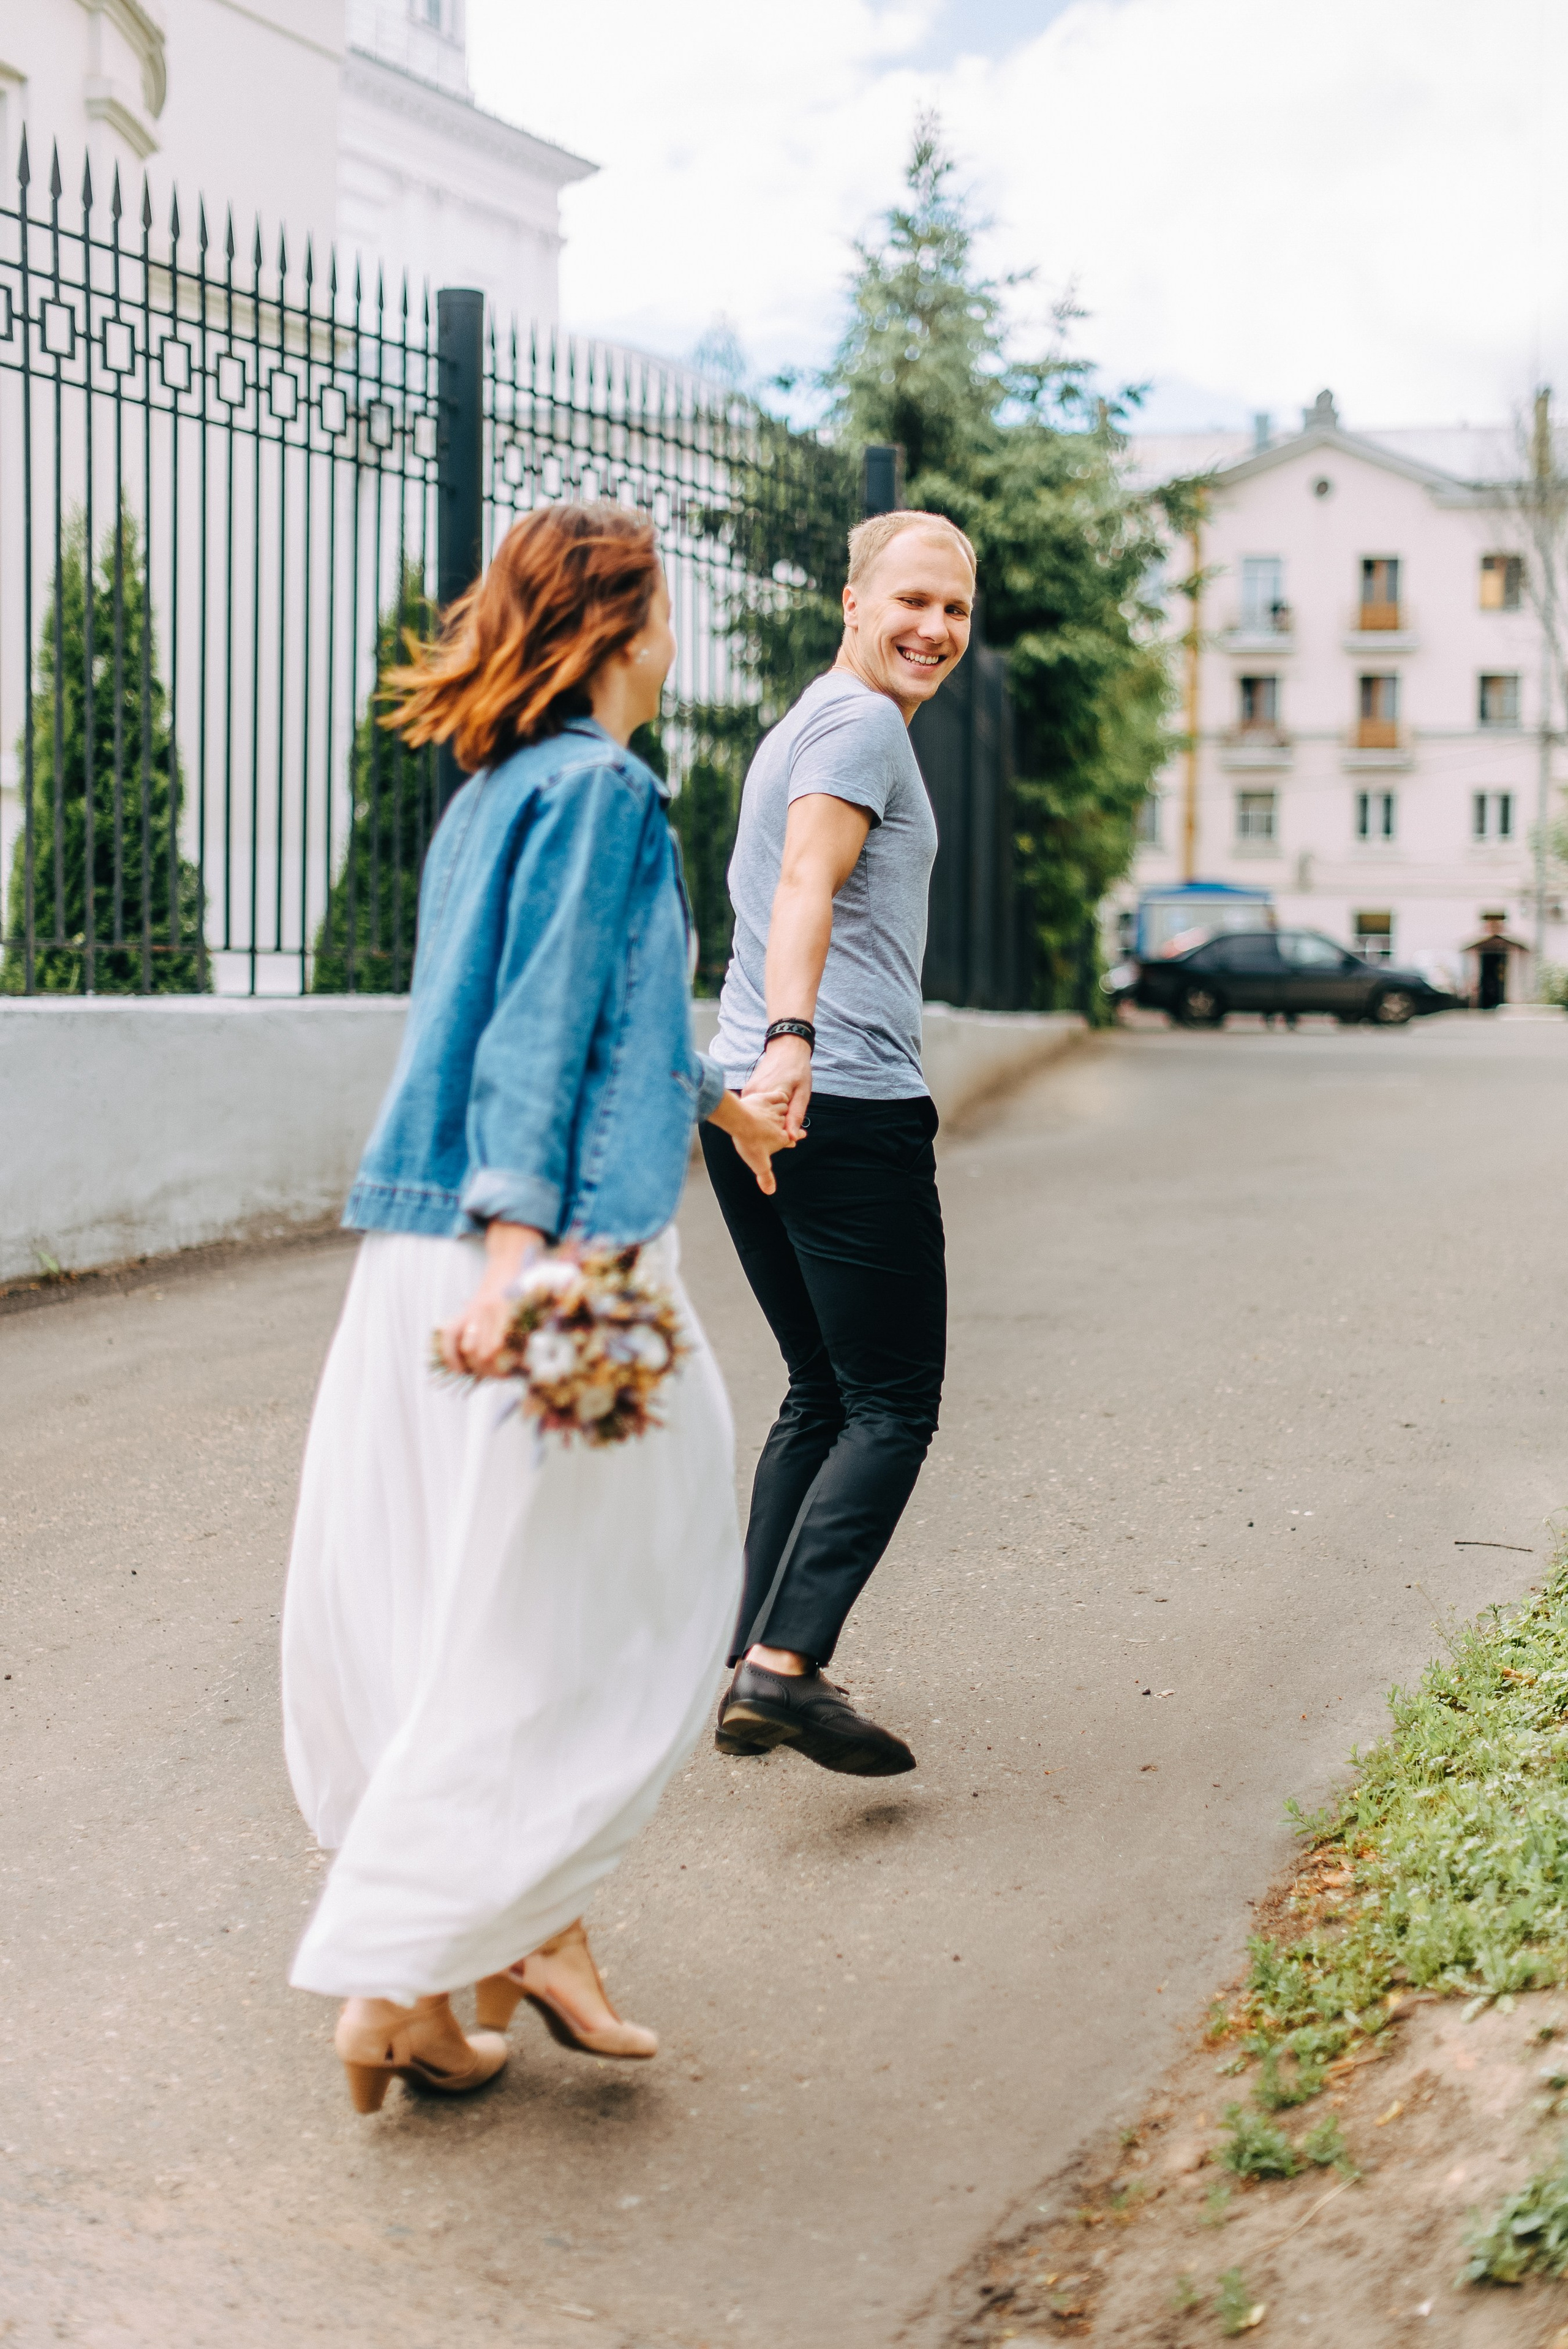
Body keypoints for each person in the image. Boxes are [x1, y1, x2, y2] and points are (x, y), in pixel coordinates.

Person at [281, 502, 791, 2113]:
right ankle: (410, 1958)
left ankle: (478, 1972)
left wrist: (719, 1101)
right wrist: (519, 1268)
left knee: (478, 1596)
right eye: (664, 607)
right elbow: (531, 1038)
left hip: (434, 1248)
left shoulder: (499, 788)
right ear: (627, 621)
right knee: (608, 1601)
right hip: (552, 1264)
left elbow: (585, 1020)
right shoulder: (604, 792)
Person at [699, 508, 974, 1778]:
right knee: (890, 1402)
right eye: (911, 599)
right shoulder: (860, 726)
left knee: (820, 1388)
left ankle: (748, 1652)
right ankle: (786, 1662)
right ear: (853, 598)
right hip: (833, 1098)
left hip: (749, 1102)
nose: (932, 628)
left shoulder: (805, 720)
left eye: (955, 611)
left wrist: (762, 1056)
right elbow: (807, 882)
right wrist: (796, 1034)